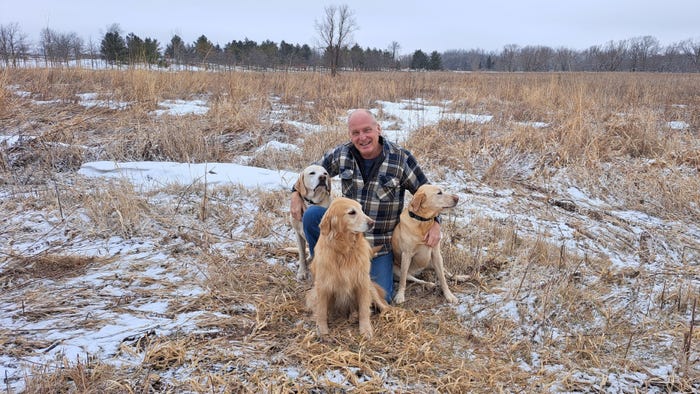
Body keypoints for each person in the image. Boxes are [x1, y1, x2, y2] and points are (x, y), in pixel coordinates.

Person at [290, 109, 442, 303]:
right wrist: (295, 192)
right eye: (356, 133)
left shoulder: (400, 159)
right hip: (346, 237)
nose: (362, 137)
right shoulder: (342, 154)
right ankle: (323, 269)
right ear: (350, 135)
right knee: (312, 215)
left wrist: (435, 222)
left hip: (380, 243)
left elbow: (426, 192)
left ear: (378, 129)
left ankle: (364, 271)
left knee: (379, 298)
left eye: (367, 130)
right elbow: (311, 171)